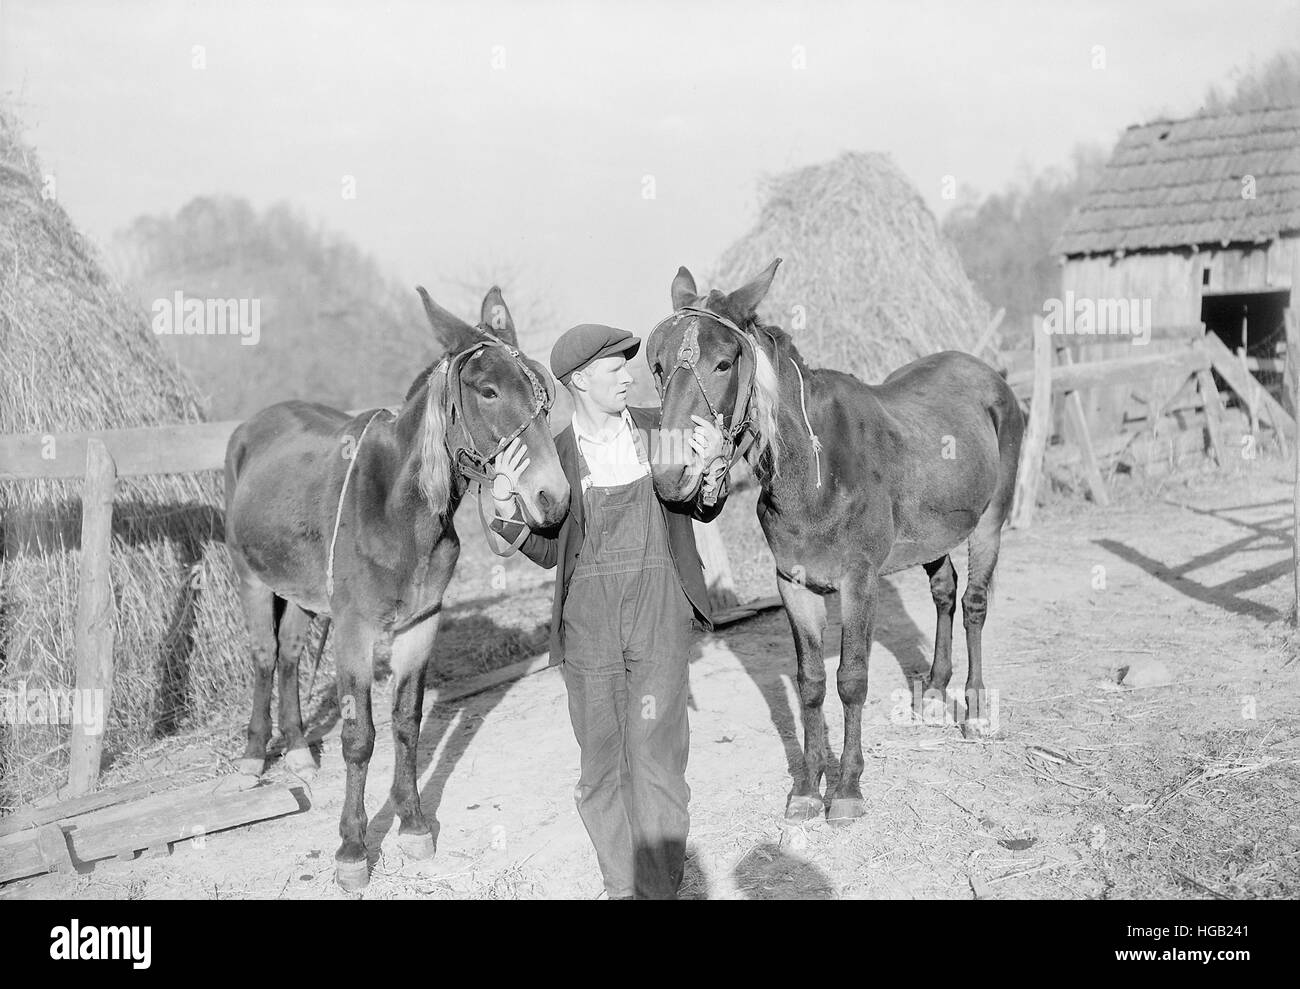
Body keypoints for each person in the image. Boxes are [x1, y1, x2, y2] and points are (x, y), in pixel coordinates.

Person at [487, 322, 728, 900]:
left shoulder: (656, 433)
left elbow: (703, 506)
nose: (629, 376)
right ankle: (622, 886)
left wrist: (713, 465)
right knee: (601, 765)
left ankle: (659, 890)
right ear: (579, 381)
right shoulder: (559, 456)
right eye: (614, 369)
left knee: (658, 760)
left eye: (628, 365)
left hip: (658, 609)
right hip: (588, 623)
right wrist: (502, 504)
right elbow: (547, 552)